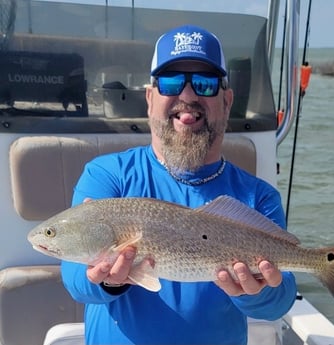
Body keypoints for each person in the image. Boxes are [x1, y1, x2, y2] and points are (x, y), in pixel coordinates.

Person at [61, 24, 297, 345]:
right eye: (171, 82)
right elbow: (75, 279)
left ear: (227, 101)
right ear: (149, 97)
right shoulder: (108, 175)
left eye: (204, 83)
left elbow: (280, 301)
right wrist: (109, 281)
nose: (187, 96)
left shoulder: (258, 195)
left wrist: (257, 292)